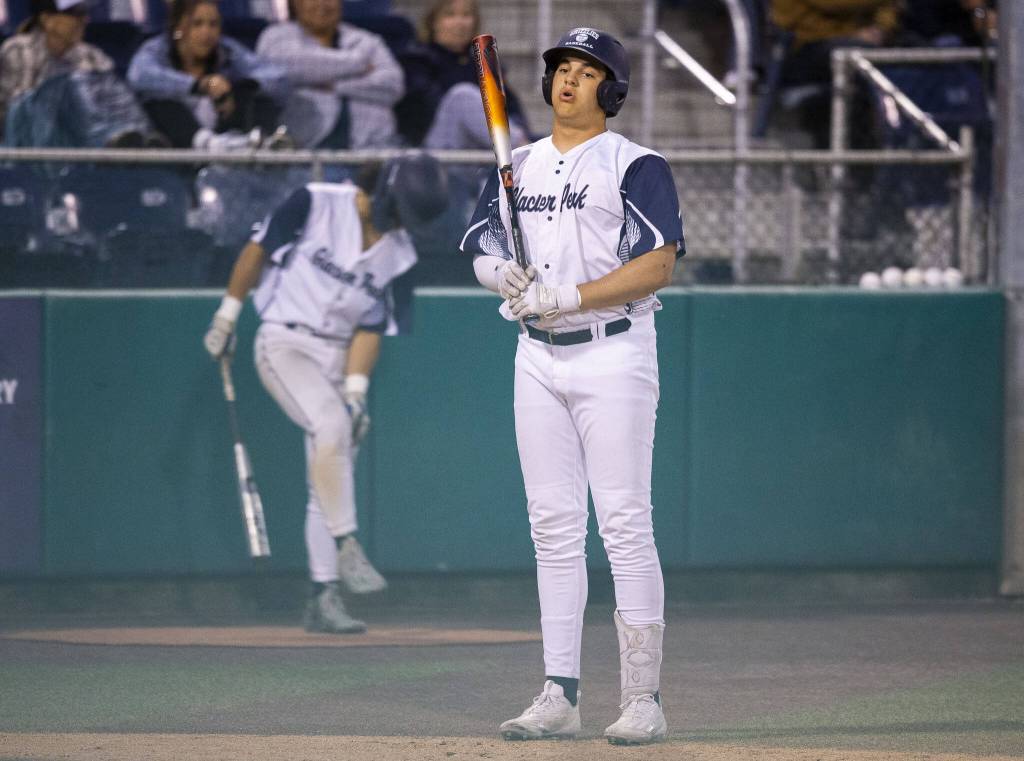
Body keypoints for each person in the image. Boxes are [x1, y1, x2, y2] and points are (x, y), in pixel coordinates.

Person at [461, 28, 684, 744]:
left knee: (623, 521)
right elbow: (481, 249)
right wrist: (506, 277)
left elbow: (656, 265)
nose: (569, 81)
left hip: (613, 352)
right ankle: (560, 690)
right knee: (553, 527)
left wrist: (568, 295)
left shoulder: (636, 164)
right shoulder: (515, 163)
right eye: (562, 68)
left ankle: (644, 698)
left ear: (611, 91)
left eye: (588, 73)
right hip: (537, 357)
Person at [202, 153, 448, 633]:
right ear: (382, 196)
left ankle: (323, 597)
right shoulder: (314, 202)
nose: (400, 225)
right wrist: (227, 315)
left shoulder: (402, 255)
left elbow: (371, 327)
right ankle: (348, 542)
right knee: (331, 425)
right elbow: (257, 251)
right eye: (397, 212)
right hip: (284, 341)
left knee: (330, 466)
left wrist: (356, 392)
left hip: (339, 358)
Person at [127, 0, 291, 151]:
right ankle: (210, 144)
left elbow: (278, 78)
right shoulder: (156, 49)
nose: (207, 32)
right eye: (197, 24)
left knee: (259, 98)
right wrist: (199, 85)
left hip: (226, 131)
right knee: (158, 102)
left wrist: (239, 88)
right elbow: (139, 76)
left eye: (213, 24)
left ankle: (262, 145)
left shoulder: (228, 50)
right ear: (179, 27)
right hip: (177, 142)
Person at [0, 0, 156, 147]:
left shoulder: (92, 56)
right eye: (74, 14)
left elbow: (113, 101)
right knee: (73, 84)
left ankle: (143, 137)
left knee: (109, 84)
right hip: (37, 137)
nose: (84, 20)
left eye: (84, 14)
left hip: (80, 138)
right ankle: (109, 139)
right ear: (46, 19)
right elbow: (16, 111)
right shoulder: (19, 49)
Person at [255, 0, 404, 150]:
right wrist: (359, 64)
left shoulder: (366, 41)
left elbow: (393, 84)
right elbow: (293, 66)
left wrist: (336, 86)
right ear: (295, 4)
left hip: (374, 149)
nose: (322, 4)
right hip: (303, 151)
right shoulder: (275, 36)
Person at [394, 0, 529, 150]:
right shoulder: (416, 60)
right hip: (433, 149)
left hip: (481, 147)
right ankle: (524, 152)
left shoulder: (484, 63)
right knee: (462, 96)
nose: (460, 23)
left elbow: (512, 109)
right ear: (433, 23)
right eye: (450, 15)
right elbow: (427, 109)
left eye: (466, 15)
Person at [770, 0, 900, 148]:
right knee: (857, 57)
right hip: (802, 49)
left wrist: (880, 29)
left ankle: (904, 143)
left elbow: (890, 9)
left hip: (863, 44)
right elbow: (832, 4)